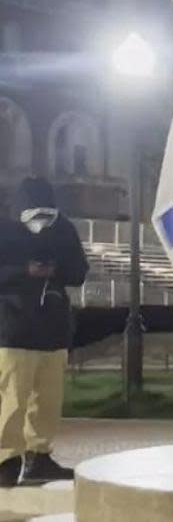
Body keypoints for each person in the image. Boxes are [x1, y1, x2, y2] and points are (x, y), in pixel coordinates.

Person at [0, 177, 88, 487]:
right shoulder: (5, 229)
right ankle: (6, 461)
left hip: (53, 329)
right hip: (13, 329)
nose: (40, 219)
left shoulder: (63, 229)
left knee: (47, 400)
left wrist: (55, 270)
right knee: (13, 399)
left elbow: (79, 271)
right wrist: (25, 272)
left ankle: (39, 458)